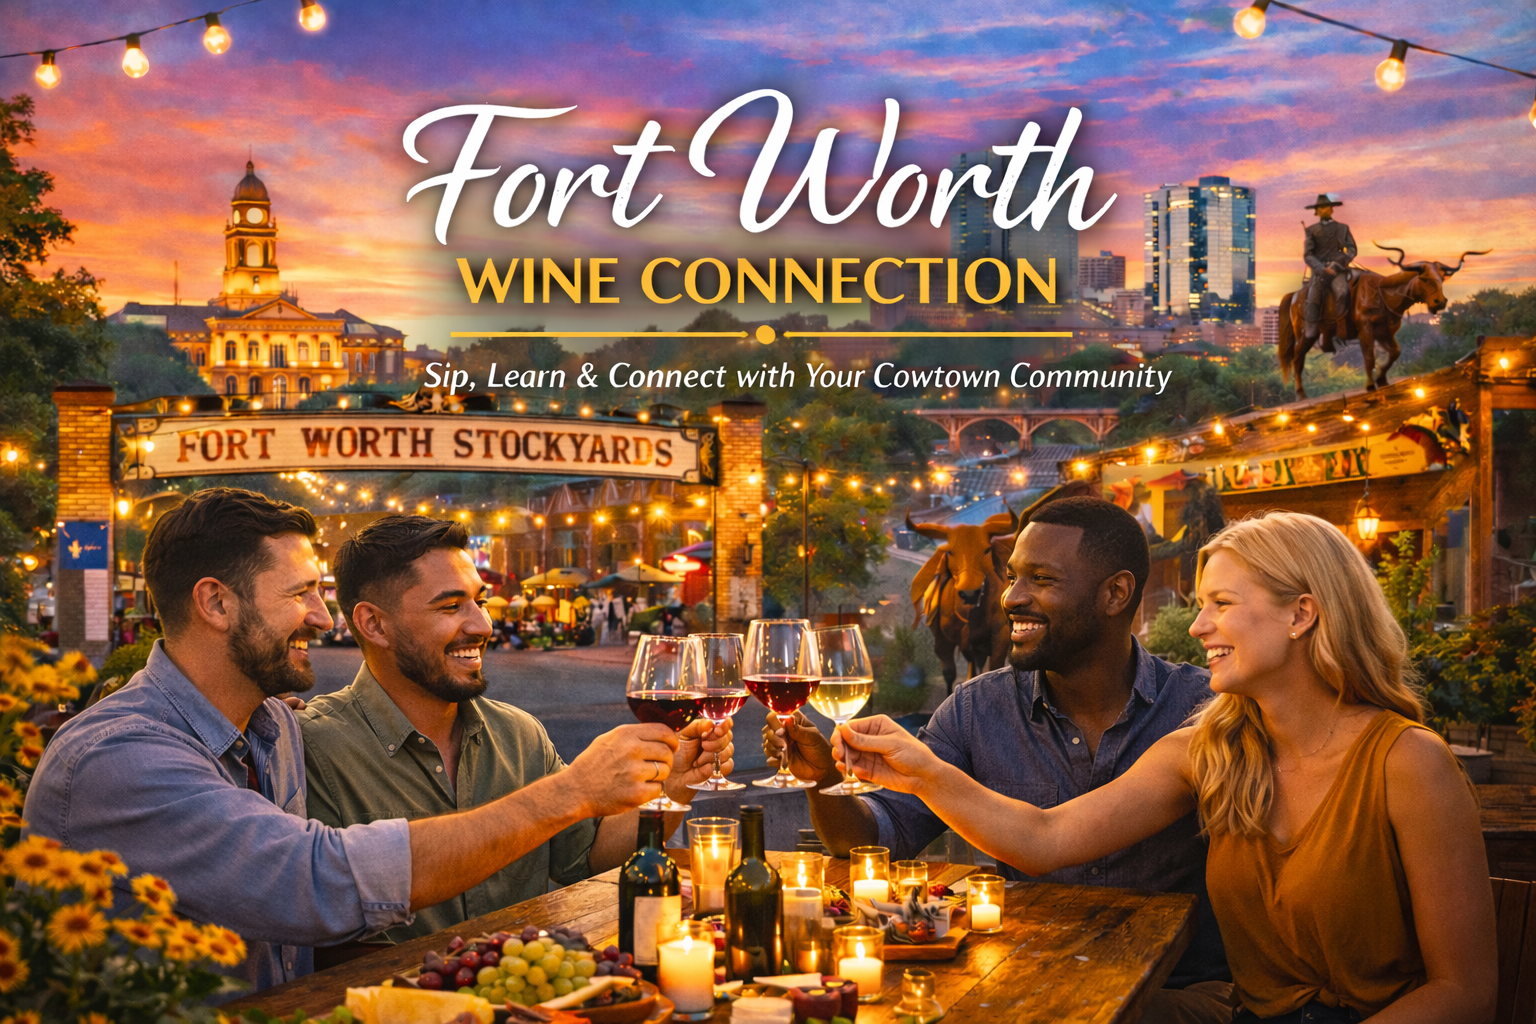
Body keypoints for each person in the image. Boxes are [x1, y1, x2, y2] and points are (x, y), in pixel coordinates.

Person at [832, 511, 1496, 1024]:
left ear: (1302, 613)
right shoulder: (1209, 748)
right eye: (1201, 603)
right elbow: (1044, 839)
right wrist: (916, 770)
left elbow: (1464, 994)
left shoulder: (1407, 761)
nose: (1199, 625)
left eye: (1222, 604)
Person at [23, 488, 681, 996]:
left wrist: (660, 791)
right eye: (303, 593)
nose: (321, 617)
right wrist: (568, 793)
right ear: (217, 604)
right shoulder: (120, 757)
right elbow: (315, 880)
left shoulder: (271, 727)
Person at [766, 497, 1231, 1023]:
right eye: (1011, 577)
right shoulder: (975, 709)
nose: (1011, 598)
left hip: (1173, 995)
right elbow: (875, 840)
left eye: (1041, 580)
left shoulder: (1205, 714)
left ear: (1116, 594)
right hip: (1025, 984)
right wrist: (823, 778)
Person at [300, 515, 732, 943]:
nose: (483, 626)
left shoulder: (519, 733)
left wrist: (670, 784)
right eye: (450, 607)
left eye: (480, 602)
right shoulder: (311, 747)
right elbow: (323, 917)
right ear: (374, 624)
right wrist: (574, 790)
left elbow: (588, 861)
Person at [1303, 192, 1357, 349]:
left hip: (1338, 271)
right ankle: (1311, 330)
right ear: (1317, 211)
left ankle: (1341, 330)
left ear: (1331, 209)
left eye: (1327, 207)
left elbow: (1352, 250)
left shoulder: (1343, 228)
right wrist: (1322, 268)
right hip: (1320, 272)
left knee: (1343, 293)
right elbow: (1308, 255)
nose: (1324, 210)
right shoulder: (1311, 231)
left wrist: (1338, 264)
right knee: (1313, 296)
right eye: (1321, 208)